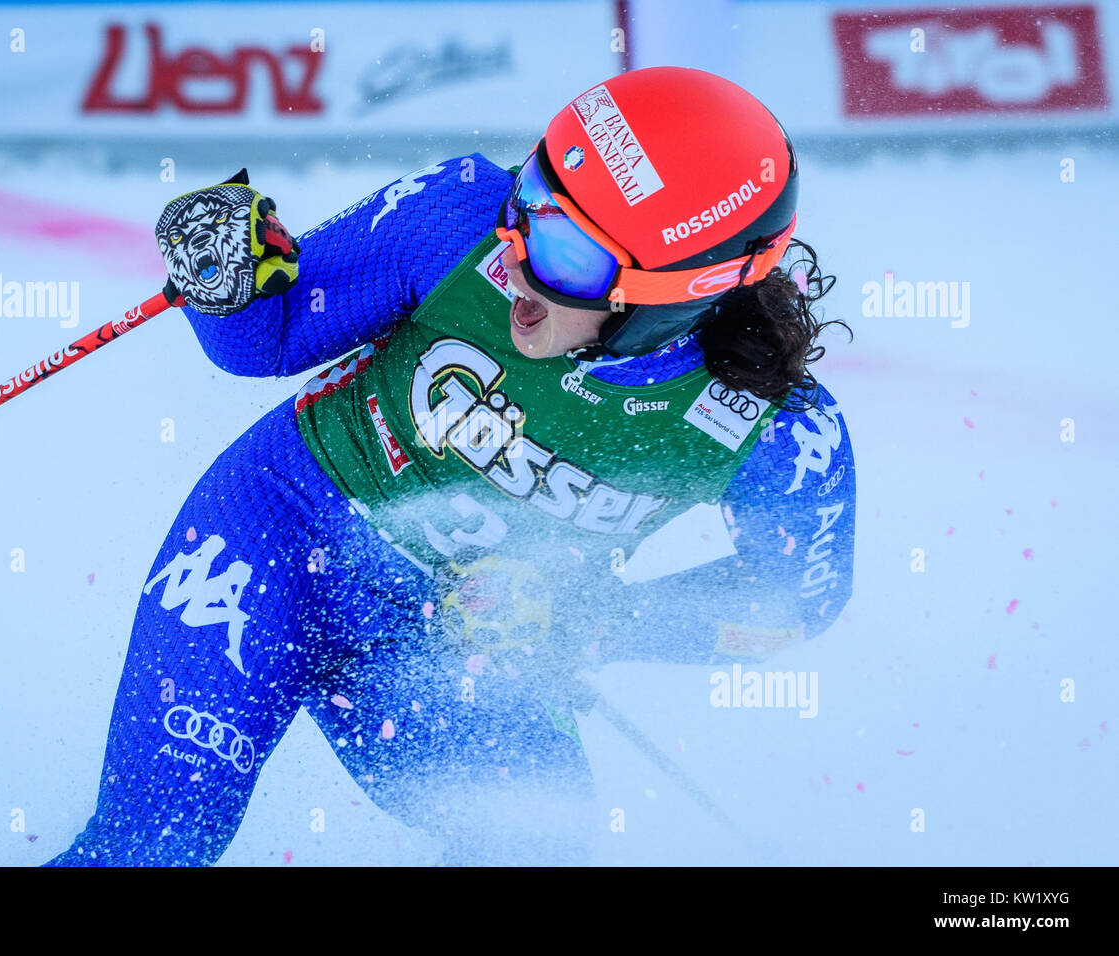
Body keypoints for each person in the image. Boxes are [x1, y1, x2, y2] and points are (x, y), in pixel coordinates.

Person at [47, 66, 856, 866]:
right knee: (151, 846)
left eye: (568, 255)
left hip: (455, 644)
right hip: (276, 536)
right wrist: (226, 284)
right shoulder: (459, 214)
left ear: (680, 290)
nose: (513, 257)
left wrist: (587, 618)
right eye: (530, 202)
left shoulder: (773, 433)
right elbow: (273, 336)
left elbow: (794, 602)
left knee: (536, 849)